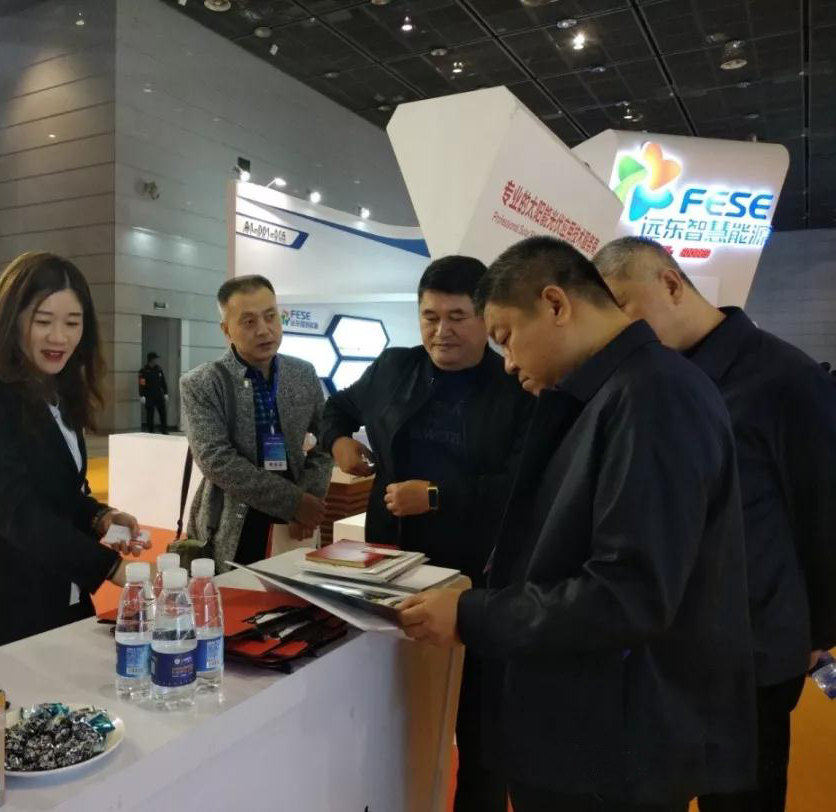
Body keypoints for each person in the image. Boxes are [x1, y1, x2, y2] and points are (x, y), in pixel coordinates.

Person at [399, 236, 756, 811]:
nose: (508, 362)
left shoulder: (653, 397)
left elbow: (627, 595)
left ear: (555, 304)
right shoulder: (610, 393)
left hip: (614, 744)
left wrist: (473, 614)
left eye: (506, 337)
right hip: (588, 729)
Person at [593, 236, 836, 812]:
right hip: (659, 648)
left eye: (623, 307)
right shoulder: (643, 381)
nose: (617, 331)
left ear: (670, 283)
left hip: (754, 649)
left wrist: (816, 632)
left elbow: (824, 512)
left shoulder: (784, 377)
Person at [321, 255, 533, 810]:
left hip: (474, 576)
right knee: (386, 703)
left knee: (480, 724)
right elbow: (337, 408)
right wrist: (339, 442)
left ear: (486, 317)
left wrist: (436, 495)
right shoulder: (395, 367)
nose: (442, 331)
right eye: (430, 317)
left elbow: (522, 485)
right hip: (388, 563)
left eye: (458, 317)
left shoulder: (514, 384)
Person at [0, 252, 144, 658]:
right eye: (43, 321)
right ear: (11, 319)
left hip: (64, 599)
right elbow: (16, 511)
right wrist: (110, 568)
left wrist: (100, 516)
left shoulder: (58, 392)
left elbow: (59, 491)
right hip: (3, 610)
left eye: (72, 323)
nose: (59, 337)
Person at [180, 274, 333, 571]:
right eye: (249, 322)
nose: (264, 330)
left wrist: (309, 498)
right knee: (234, 594)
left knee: (296, 591)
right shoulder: (202, 383)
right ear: (227, 330)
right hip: (232, 521)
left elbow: (326, 439)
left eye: (270, 316)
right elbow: (216, 460)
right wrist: (293, 502)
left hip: (297, 520)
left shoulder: (302, 373)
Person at [139, 351, 169, 434]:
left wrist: (165, 393)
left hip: (158, 394)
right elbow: (142, 384)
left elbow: (163, 382)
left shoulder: (158, 369)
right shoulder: (144, 371)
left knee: (162, 413)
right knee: (150, 414)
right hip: (149, 395)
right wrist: (142, 395)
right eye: (155, 358)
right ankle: (151, 431)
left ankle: (164, 429)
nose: (156, 360)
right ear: (151, 359)